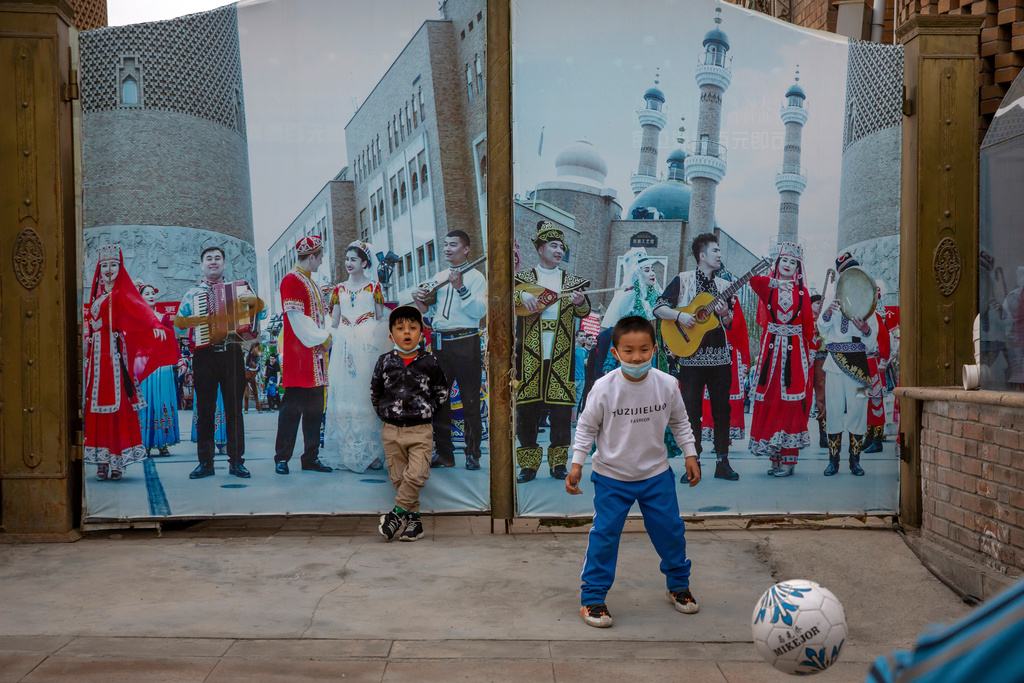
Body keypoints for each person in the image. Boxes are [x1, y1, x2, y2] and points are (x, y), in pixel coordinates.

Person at [566, 316, 702, 628]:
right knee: (604, 536)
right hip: (612, 477)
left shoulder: (667, 385)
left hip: (656, 475)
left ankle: (679, 587)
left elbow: (680, 421)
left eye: (643, 350)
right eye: (628, 351)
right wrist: (576, 464)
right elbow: (586, 429)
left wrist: (690, 454)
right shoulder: (604, 388)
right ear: (615, 353)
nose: (637, 357)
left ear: (655, 349)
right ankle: (593, 599)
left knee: (671, 532)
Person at [653, 233, 741, 481]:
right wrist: (680, 317)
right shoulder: (683, 280)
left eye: (720, 251)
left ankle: (723, 461)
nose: (719, 255)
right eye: (715, 251)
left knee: (722, 410)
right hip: (690, 357)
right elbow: (658, 307)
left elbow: (729, 323)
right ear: (702, 255)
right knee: (691, 411)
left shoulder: (725, 286)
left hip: (720, 359)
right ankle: (695, 462)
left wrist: (725, 315)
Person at [84, 245, 175, 481]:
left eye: (114, 265)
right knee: (97, 408)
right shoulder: (97, 297)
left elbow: (141, 310)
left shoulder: (122, 294)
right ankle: (101, 460)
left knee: (118, 407)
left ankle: (117, 461)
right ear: (99, 269)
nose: (109, 270)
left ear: (120, 268)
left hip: (115, 358)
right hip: (96, 361)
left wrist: (155, 325)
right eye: (104, 265)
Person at [513, 222, 591, 483]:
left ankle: (558, 464)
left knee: (560, 413)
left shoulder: (571, 282)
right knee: (527, 412)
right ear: (540, 248)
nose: (559, 251)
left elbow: (583, 311)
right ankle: (528, 466)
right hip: (529, 356)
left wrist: (580, 303)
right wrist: (521, 297)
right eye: (554, 246)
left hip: (562, 357)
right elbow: (507, 300)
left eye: (562, 247)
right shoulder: (522, 280)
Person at [175, 246, 262, 479]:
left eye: (217, 258)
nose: (213, 262)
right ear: (202, 265)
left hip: (232, 353)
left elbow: (259, 315)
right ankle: (206, 463)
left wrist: (252, 302)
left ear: (224, 263)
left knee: (234, 410)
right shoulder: (192, 294)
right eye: (208, 259)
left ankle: (237, 462)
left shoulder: (238, 290)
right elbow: (179, 324)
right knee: (204, 411)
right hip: (204, 355)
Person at [373, 306, 450, 542]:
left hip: (420, 431)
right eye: (400, 328)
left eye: (413, 328)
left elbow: (441, 391)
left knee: (416, 475)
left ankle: (395, 516)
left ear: (421, 334)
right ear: (391, 335)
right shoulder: (385, 361)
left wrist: (425, 412)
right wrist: (387, 414)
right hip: (391, 431)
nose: (407, 333)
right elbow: (375, 392)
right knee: (399, 479)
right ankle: (414, 523)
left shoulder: (429, 362)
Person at [412, 230, 487, 470]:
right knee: (439, 399)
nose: (447, 248)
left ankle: (472, 453)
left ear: (466, 249)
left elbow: (479, 313)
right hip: (441, 343)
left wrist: (461, 288)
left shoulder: (476, 277)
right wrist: (418, 299)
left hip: (466, 341)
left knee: (470, 399)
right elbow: (427, 312)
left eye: (453, 245)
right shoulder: (439, 276)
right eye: (445, 244)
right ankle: (444, 453)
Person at [747, 242, 815, 477]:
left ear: (798, 268)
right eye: (784, 261)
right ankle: (774, 457)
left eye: (793, 262)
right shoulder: (770, 288)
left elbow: (807, 325)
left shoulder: (802, 293)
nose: (788, 265)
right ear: (777, 264)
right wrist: (775, 281)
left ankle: (789, 458)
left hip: (794, 352)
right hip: (771, 352)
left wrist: (809, 354)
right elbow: (753, 280)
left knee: (791, 401)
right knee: (771, 399)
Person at [322, 240, 389, 473]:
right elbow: (334, 321)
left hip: (367, 345)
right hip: (343, 346)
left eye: (354, 259)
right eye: (347, 259)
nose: (349, 263)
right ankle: (348, 451)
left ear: (364, 262)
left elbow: (380, 319)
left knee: (366, 397)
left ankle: (371, 452)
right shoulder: (338, 289)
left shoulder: (374, 288)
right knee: (345, 397)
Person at [273, 235, 334, 475]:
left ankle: (310, 457)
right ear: (311, 257)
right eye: (319, 259)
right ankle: (282, 457)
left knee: (315, 410)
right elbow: (297, 320)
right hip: (300, 357)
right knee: (291, 409)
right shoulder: (291, 280)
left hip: (316, 358)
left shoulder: (312, 283)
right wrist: (325, 338)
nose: (320, 263)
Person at [818, 252, 878, 476]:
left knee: (859, 411)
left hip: (859, 368)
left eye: (853, 269)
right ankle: (833, 461)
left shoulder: (868, 301)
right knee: (833, 410)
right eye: (845, 271)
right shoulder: (833, 303)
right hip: (834, 364)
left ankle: (855, 461)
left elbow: (872, 341)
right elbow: (821, 329)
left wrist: (865, 330)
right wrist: (826, 314)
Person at [132, 283, 181, 458]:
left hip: (163, 366)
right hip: (143, 365)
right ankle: (143, 443)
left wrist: (179, 360)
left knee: (162, 402)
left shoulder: (164, 317)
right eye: (147, 293)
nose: (151, 296)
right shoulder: (136, 317)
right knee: (144, 402)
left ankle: (163, 443)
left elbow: (172, 340)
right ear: (140, 296)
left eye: (153, 293)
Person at [862, 285, 892, 454]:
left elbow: (885, 338)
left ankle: (877, 439)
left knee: (876, 401)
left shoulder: (876, 316)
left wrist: (884, 359)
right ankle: (869, 436)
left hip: (874, 362)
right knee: (867, 401)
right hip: (865, 363)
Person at [809, 294, 829, 448]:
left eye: (822, 303)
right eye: (817, 303)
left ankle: (823, 434)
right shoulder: (804, 320)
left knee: (822, 396)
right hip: (806, 361)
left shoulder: (825, 321)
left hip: (822, 360)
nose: (820, 306)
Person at [243, 345, 262, 413]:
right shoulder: (247, 359)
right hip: (246, 376)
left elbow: (258, 369)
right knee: (246, 392)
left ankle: (258, 407)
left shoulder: (256, 361)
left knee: (255, 392)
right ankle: (246, 408)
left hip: (253, 376)